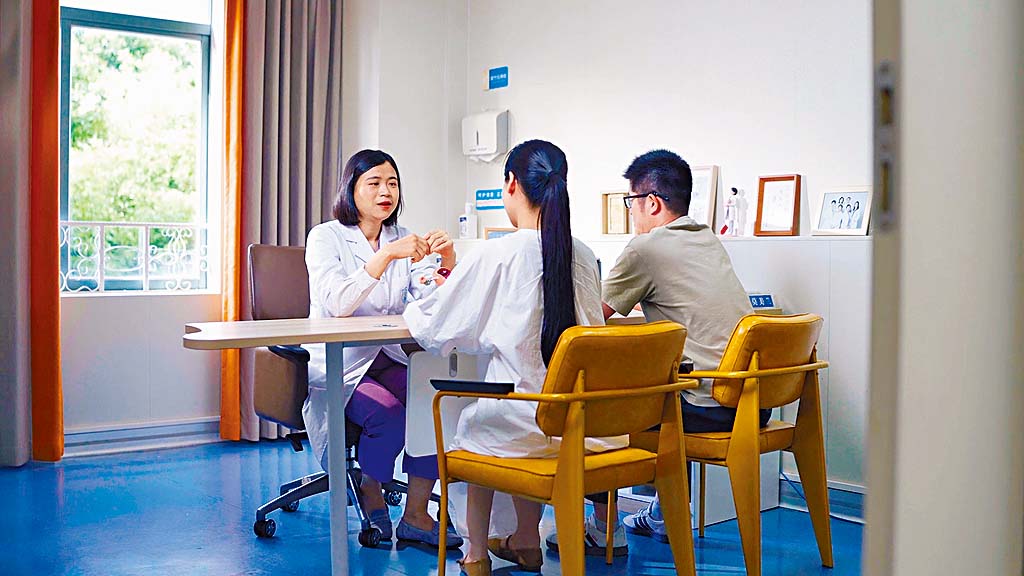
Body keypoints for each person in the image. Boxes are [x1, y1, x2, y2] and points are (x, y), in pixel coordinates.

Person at [404, 140, 624, 576]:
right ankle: (525, 539)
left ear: (511, 184)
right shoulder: (583, 254)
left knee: (475, 423)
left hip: (528, 424)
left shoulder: (498, 252)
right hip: (586, 426)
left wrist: (423, 293)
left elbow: (437, 328)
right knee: (514, 405)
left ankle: (475, 554)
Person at [545, 149, 768, 555]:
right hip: (753, 399)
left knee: (601, 405)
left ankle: (602, 529)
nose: (631, 211)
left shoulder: (645, 249)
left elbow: (593, 315)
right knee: (670, 386)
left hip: (708, 407)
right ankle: (664, 515)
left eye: (631, 201)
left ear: (651, 202)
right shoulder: (708, 240)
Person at [303, 149, 462, 547]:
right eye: (373, 183)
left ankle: (416, 514)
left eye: (392, 183)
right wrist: (387, 256)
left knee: (435, 404)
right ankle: (370, 486)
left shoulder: (401, 236)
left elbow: (430, 299)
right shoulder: (326, 237)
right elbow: (338, 303)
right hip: (341, 361)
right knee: (388, 415)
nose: (385, 192)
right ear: (351, 189)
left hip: (385, 355)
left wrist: (446, 262)